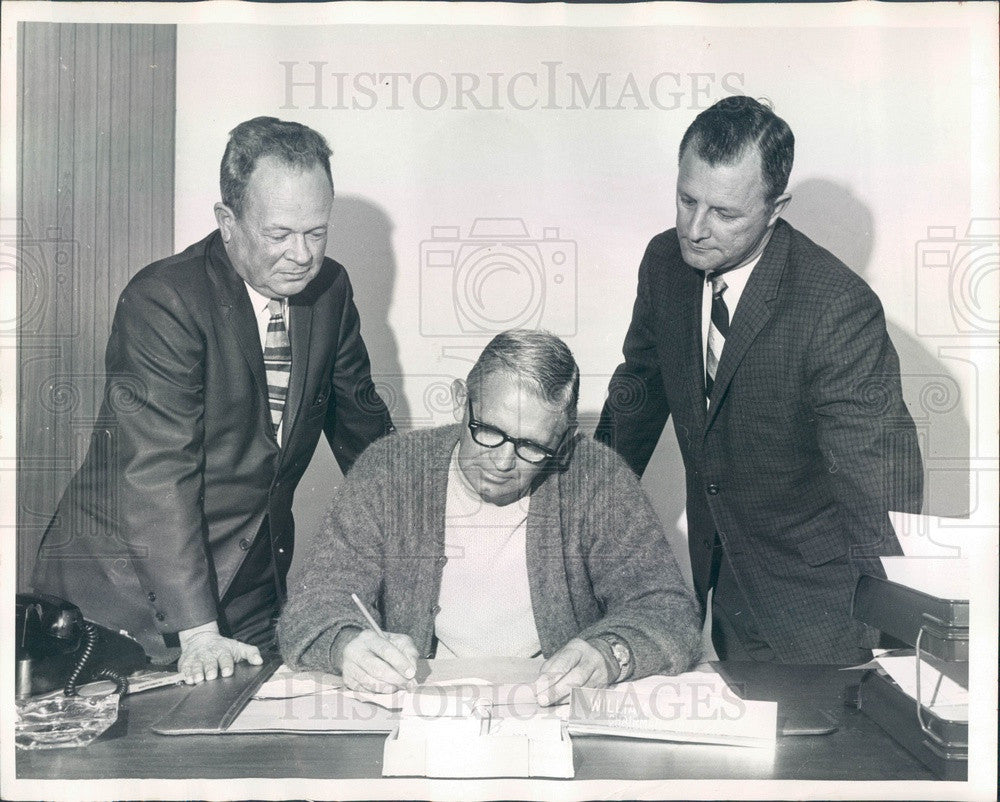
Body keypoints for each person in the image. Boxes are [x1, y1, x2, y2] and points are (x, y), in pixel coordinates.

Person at [32, 117, 394, 683]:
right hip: (125, 596)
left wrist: (427, 525)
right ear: (227, 222)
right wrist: (198, 632)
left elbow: (364, 429)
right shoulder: (164, 301)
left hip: (248, 584)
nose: (302, 255)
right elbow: (156, 475)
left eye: (316, 233)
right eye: (279, 235)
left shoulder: (330, 291)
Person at [596, 96, 923, 664]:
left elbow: (883, 490)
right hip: (723, 595)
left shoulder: (836, 308)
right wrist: (582, 503)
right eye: (686, 199)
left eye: (724, 213)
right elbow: (638, 396)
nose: (695, 229)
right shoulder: (664, 264)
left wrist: (896, 642)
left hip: (826, 614)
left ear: (776, 208)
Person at [279, 330, 701, 704]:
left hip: (549, 710)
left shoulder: (596, 478)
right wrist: (346, 646)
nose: (502, 462)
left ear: (566, 442)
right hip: (421, 710)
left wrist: (611, 653)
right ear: (464, 401)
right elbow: (311, 605)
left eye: (532, 447)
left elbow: (670, 611)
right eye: (489, 432)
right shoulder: (390, 470)